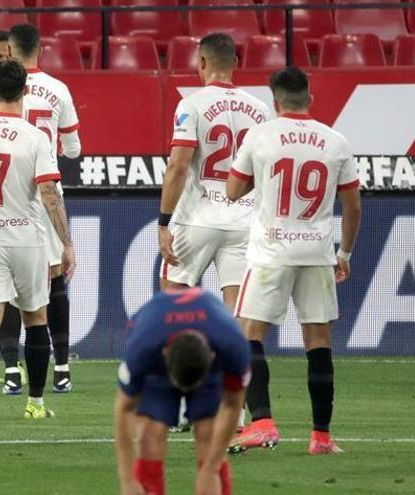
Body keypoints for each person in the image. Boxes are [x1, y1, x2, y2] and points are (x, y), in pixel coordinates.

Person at [226, 67, 361, 455]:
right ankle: (321, 437)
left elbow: (234, 190)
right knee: (318, 343)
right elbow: (352, 205)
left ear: (275, 101)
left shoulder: (261, 134)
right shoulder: (335, 141)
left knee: (248, 335)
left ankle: (263, 423)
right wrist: (344, 253)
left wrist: (262, 176)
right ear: (310, 99)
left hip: (271, 251)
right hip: (317, 251)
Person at [157, 32, 269, 431]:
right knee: (238, 319)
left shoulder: (192, 104)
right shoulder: (260, 110)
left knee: (172, 307)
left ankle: (177, 406)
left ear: (201, 62)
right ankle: (235, 409)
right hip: (245, 220)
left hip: (197, 219)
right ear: (235, 62)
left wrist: (163, 222)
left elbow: (178, 166)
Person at [0, 59, 76, 420]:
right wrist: (66, 244)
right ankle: (37, 403)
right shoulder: (36, 137)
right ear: (25, 91)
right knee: (35, 319)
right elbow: (49, 194)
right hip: (27, 239)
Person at [115, 288, 250, 495]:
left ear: (213, 357)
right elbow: (124, 410)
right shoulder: (142, 348)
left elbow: (233, 404)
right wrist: (128, 481)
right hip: (159, 354)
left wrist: (211, 469)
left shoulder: (233, 345)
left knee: (208, 434)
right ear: (165, 355)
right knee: (150, 435)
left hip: (205, 355)